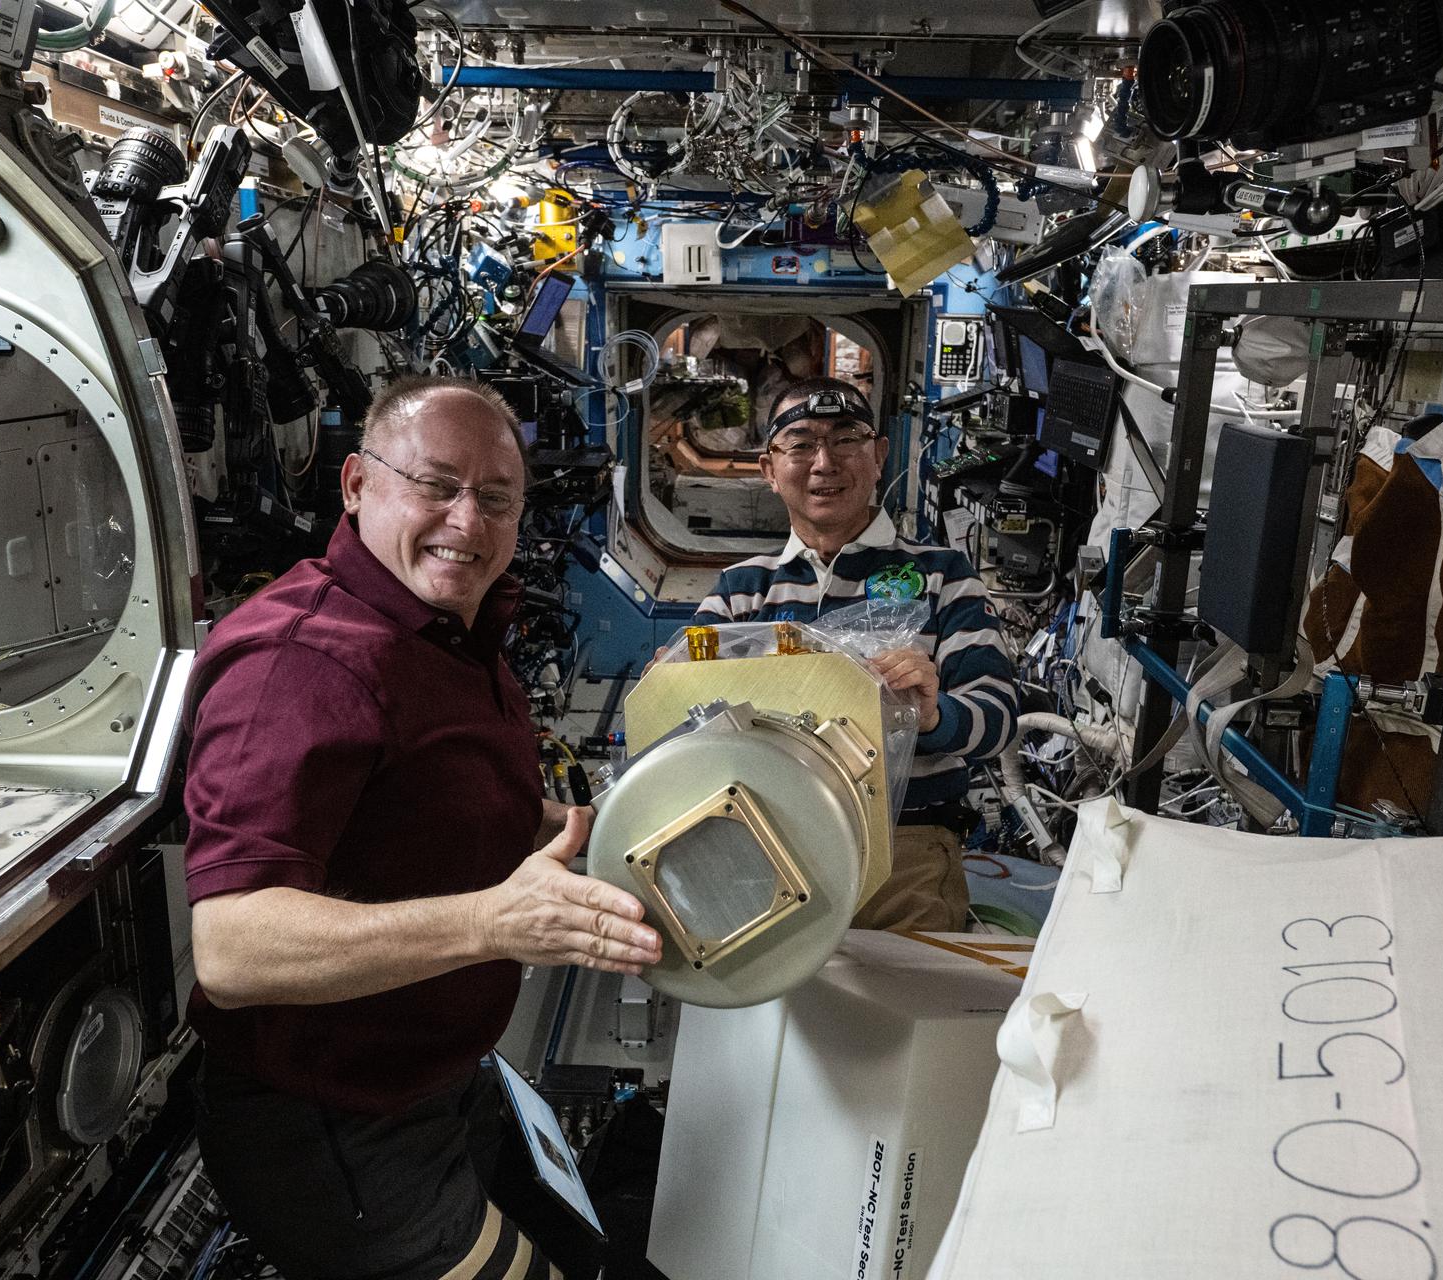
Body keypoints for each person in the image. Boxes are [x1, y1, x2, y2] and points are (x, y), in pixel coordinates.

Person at [182, 376, 662, 1280]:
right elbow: (233, 948)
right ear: (357, 485)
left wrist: (599, 830)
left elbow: (434, 807)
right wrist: (493, 922)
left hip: (436, 1078)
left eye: (495, 497)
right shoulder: (305, 664)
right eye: (435, 485)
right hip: (335, 1126)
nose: (467, 522)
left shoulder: (438, 631)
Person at [688, 377, 1019, 932]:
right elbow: (688, 720)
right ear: (770, 470)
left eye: (847, 440)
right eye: (800, 444)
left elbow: (1001, 718)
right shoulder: (740, 590)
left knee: (907, 1014)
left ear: (879, 456)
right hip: (763, 844)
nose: (825, 462)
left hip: (904, 850)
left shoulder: (943, 576)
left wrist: (933, 715)